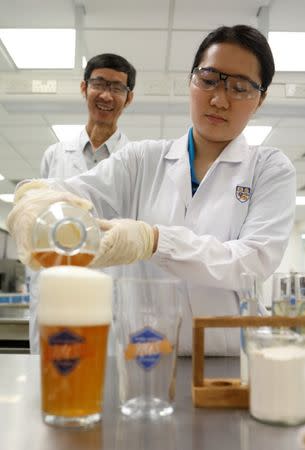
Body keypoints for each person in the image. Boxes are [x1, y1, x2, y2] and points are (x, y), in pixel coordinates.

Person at [8, 25, 296, 356]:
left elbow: (252, 261)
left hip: (227, 363)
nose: (219, 99)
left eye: (240, 88)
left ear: (260, 99)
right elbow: (77, 192)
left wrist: (154, 241)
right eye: (208, 79)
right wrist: (34, 195)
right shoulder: (141, 159)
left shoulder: (269, 168)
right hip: (144, 359)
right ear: (191, 81)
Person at [28, 53, 136, 353]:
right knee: (54, 384)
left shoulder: (135, 160)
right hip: (58, 290)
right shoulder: (55, 156)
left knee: (106, 385)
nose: (105, 95)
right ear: (83, 88)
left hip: (109, 294)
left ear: (129, 98)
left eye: (117, 88)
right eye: (98, 84)